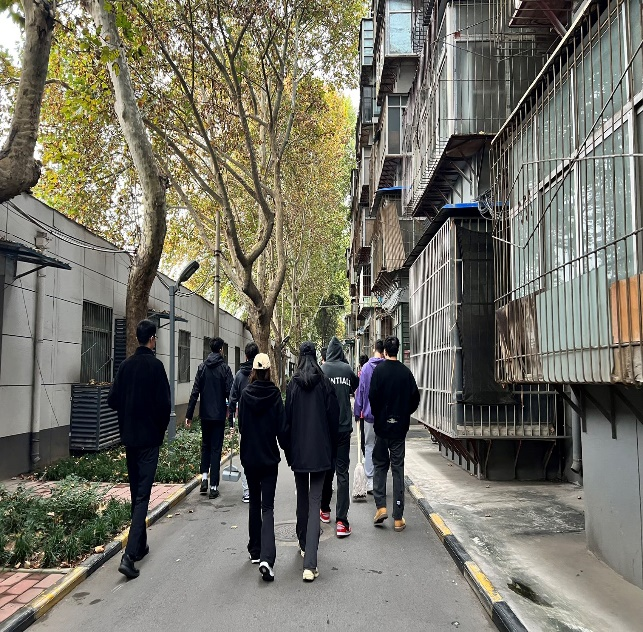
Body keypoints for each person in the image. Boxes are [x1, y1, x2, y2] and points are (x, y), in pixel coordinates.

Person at [108, 319, 170, 579]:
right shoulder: (156, 367)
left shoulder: (125, 366)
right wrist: (159, 430)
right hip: (149, 441)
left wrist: (128, 411)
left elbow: (112, 400)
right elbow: (165, 406)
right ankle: (129, 555)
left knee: (137, 493)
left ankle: (141, 544)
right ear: (152, 339)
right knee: (143, 496)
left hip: (130, 439)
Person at [284, 341, 339, 582]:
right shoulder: (325, 384)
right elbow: (334, 419)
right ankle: (310, 564)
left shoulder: (292, 386)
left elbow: (286, 423)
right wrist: (331, 448)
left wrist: (289, 451)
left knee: (302, 499)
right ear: (316, 358)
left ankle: (303, 543)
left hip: (299, 453)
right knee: (315, 501)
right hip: (320, 452)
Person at [238, 352, 287, 582]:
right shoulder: (275, 395)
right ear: (268, 371)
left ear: (253, 372)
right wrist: (289, 449)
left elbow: (241, 426)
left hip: (250, 458)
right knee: (267, 507)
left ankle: (255, 550)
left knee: (254, 503)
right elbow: (282, 428)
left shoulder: (245, 395)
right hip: (269, 458)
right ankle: (267, 558)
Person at [368, 336, 420, 532]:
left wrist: (380, 415)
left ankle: (381, 507)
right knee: (398, 469)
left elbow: (372, 397)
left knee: (380, 465)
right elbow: (415, 398)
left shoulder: (379, 371)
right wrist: (404, 413)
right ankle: (398, 517)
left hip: (382, 428)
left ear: (384, 352)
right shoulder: (405, 373)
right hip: (399, 429)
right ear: (398, 350)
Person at [185, 336, 234, 499]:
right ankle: (213, 487)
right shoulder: (225, 369)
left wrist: (189, 415)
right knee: (216, 449)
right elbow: (230, 394)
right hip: (219, 416)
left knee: (205, 446)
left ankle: (204, 479)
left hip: (205, 415)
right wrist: (231, 418)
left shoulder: (202, 368)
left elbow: (195, 392)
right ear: (221, 350)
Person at [321, 337, 359, 537]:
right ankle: (342, 522)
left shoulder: (323, 370)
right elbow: (355, 386)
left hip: (327, 429)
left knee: (327, 470)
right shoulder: (346, 369)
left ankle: (325, 510)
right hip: (344, 428)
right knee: (342, 473)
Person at [228, 341, 260, 503]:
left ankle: (247, 491)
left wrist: (231, 423)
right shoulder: (261, 374)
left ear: (246, 356)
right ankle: (258, 487)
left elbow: (232, 399)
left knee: (246, 456)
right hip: (260, 422)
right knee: (259, 454)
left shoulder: (240, 375)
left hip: (244, 423)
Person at [354, 340, 385, 494]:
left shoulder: (366, 368)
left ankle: (371, 482)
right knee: (383, 447)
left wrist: (357, 410)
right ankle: (381, 480)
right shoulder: (387, 367)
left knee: (369, 445)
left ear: (374, 349)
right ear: (384, 351)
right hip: (384, 416)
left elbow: (360, 391)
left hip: (369, 415)